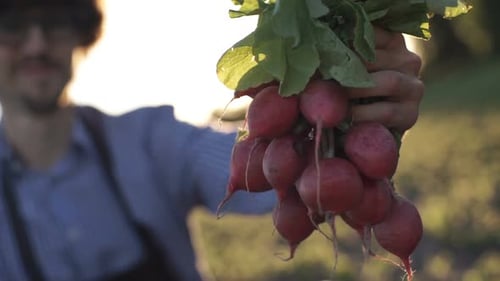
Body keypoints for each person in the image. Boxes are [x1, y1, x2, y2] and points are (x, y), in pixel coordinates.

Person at [0, 0, 424, 281]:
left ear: (79, 34)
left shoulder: (147, 141)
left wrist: (362, 109)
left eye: (53, 25)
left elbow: (279, 181)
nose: (36, 45)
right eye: (12, 27)